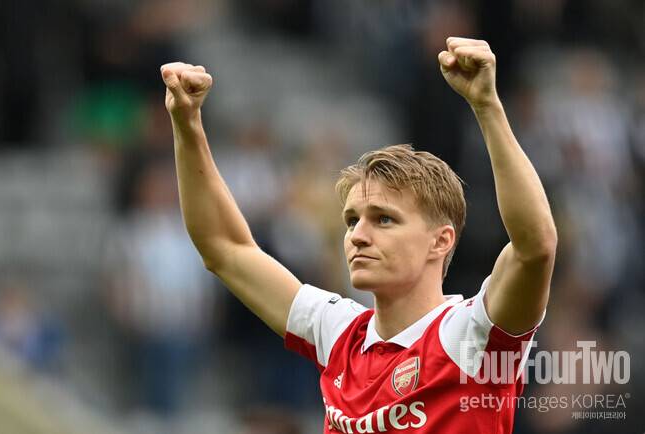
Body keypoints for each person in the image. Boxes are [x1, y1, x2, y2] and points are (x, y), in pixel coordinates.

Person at [160, 37, 557, 433]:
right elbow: (225, 248)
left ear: (441, 240)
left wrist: (487, 107)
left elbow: (535, 246)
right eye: (352, 221)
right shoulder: (340, 333)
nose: (358, 236)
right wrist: (187, 124)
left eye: (384, 220)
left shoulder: (472, 337)